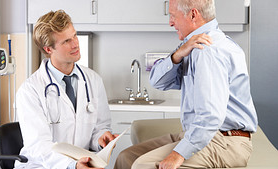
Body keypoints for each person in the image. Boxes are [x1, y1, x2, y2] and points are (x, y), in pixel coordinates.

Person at [114, 0, 258, 168]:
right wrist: (177, 55)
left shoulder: (208, 50)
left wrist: (179, 154)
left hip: (224, 141)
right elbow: (157, 81)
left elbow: (210, 116)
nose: (170, 22)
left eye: (173, 16)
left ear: (193, 14)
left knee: (143, 165)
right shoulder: (191, 46)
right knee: (127, 157)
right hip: (202, 134)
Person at [15, 10, 117, 169]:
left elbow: (100, 127)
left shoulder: (93, 80)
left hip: (82, 163)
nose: (76, 44)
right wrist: (72, 165)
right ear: (48, 49)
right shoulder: (30, 90)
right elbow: (39, 146)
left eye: (75, 36)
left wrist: (101, 139)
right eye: (66, 41)